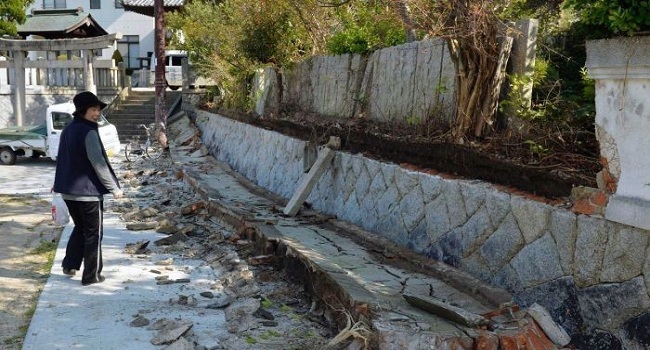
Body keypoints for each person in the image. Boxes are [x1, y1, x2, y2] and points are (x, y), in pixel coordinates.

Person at [53, 91, 123, 286]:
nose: (97, 113)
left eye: (98, 109)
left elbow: (64, 159)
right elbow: (98, 163)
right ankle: (91, 275)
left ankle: (70, 265)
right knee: (93, 233)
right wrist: (114, 188)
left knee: (80, 228)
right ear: (82, 111)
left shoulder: (68, 129)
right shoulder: (89, 132)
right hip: (88, 193)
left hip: (68, 191)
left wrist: (58, 183)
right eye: (93, 109)